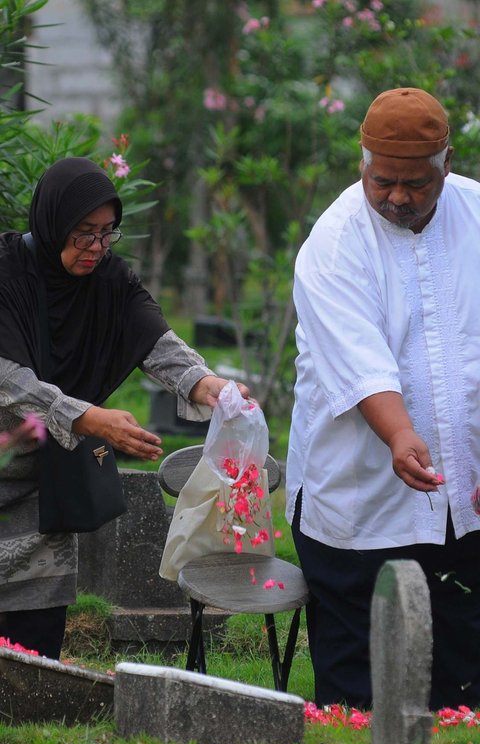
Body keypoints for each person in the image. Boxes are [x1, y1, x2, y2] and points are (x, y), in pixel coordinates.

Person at [0, 156, 248, 660]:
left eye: (107, 233)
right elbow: (7, 378)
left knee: (32, 650)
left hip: (44, 485)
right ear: (51, 223)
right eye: (83, 233)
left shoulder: (107, 281)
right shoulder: (6, 273)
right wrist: (87, 417)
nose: (95, 247)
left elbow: (156, 342)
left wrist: (210, 385)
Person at [286, 87, 480, 712]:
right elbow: (359, 361)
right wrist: (399, 435)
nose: (396, 196)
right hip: (360, 502)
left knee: (463, 678)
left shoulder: (477, 214)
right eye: (382, 181)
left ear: (445, 165)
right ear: (362, 164)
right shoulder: (335, 241)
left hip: (464, 501)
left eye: (414, 184)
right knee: (358, 692)